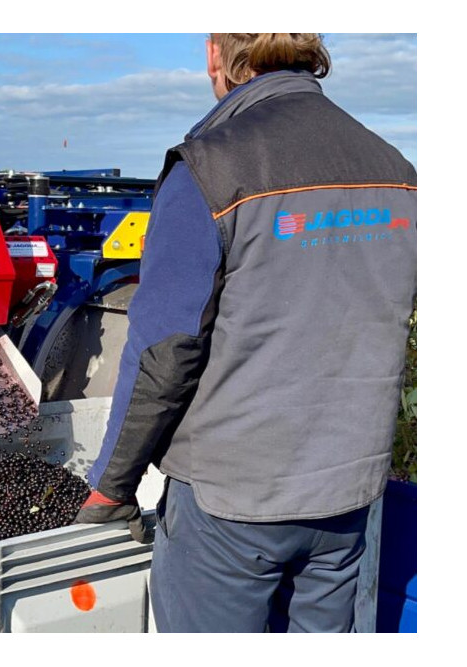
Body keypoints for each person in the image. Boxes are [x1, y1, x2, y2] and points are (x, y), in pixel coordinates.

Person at [75, 33, 417, 633]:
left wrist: (112, 486)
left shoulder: (210, 167)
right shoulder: (398, 172)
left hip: (230, 506)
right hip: (348, 496)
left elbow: (165, 353)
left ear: (217, 53)